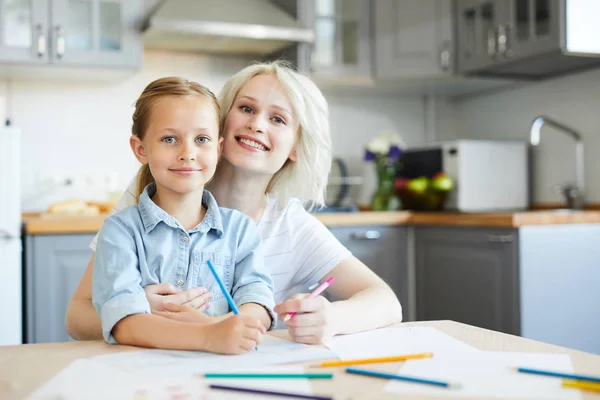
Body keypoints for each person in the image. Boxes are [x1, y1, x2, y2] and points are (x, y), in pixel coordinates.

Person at [66, 60, 403, 345]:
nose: (256, 124)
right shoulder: (155, 191)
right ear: (221, 123)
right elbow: (77, 317)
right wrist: (137, 314)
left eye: (278, 119)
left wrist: (330, 317)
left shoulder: (290, 224)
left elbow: (386, 302)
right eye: (246, 108)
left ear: (296, 147)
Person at [91, 77, 275, 354]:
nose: (187, 153)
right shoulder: (120, 231)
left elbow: (257, 300)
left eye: (202, 139)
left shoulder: (240, 230)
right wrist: (207, 335)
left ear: (218, 149)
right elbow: (123, 323)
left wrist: (231, 326)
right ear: (141, 149)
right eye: (169, 139)